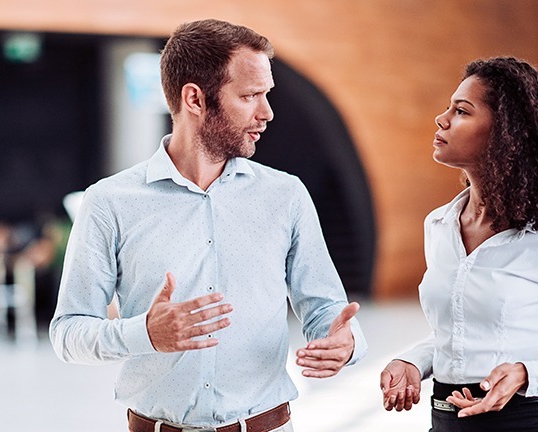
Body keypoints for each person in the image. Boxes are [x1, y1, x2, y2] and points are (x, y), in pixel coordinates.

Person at [50, 18, 367, 432]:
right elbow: (68, 332)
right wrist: (143, 333)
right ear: (195, 99)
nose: (266, 113)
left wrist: (345, 341)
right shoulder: (109, 203)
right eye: (250, 96)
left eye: (265, 95)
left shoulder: (285, 195)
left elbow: (326, 306)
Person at [379, 56, 538, 431]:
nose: (441, 119)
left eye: (461, 111)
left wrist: (528, 375)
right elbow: (462, 335)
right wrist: (413, 362)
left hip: (533, 422)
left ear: (507, 133)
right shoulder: (439, 224)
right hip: (447, 422)